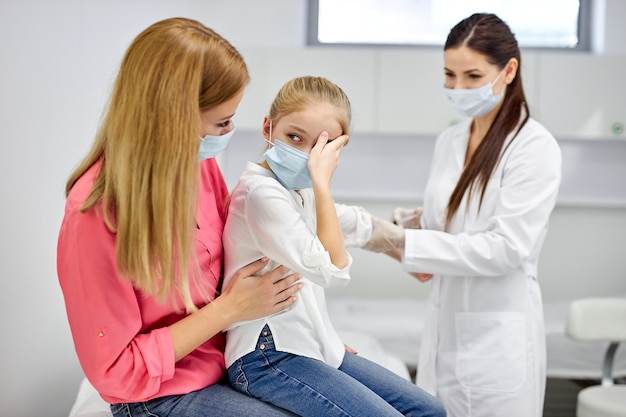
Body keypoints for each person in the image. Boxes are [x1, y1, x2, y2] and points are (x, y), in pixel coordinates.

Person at [57, 17, 304, 417]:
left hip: (229, 362)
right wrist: (227, 310)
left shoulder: (197, 166)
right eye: (222, 123)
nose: (228, 133)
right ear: (172, 119)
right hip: (160, 395)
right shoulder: (96, 214)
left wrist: (310, 337)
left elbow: (239, 258)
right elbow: (115, 373)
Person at [222, 76, 446, 417]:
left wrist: (407, 249)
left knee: (428, 409)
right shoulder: (261, 194)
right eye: (294, 137)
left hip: (304, 346)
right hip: (265, 355)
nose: (305, 156)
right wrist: (322, 181)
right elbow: (332, 269)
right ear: (268, 127)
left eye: (320, 147)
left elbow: (352, 223)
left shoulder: (298, 192)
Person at [390, 13, 562, 417]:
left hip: (495, 346)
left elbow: (506, 248)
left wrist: (414, 245)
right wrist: (407, 236)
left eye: (472, 75)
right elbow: (444, 229)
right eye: (449, 75)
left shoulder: (533, 147)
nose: (457, 87)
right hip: (441, 333)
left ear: (508, 71)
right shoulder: (450, 140)